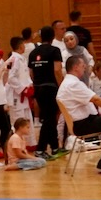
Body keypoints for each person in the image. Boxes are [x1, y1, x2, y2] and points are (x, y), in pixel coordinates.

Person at [28, 25, 63, 158]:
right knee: (49, 118)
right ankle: (40, 149)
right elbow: (57, 70)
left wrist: (37, 84)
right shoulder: (55, 50)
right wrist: (61, 86)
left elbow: (31, 73)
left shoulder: (33, 53)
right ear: (53, 36)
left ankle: (55, 147)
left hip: (38, 88)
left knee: (50, 117)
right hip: (51, 87)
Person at [6, 36, 36, 150]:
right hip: (17, 96)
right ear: (20, 46)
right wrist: (23, 89)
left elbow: (24, 76)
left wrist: (30, 85)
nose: (25, 46)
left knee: (27, 119)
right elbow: (11, 78)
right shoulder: (14, 59)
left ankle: (29, 143)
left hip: (24, 96)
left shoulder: (21, 59)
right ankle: (16, 145)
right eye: (23, 44)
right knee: (18, 120)